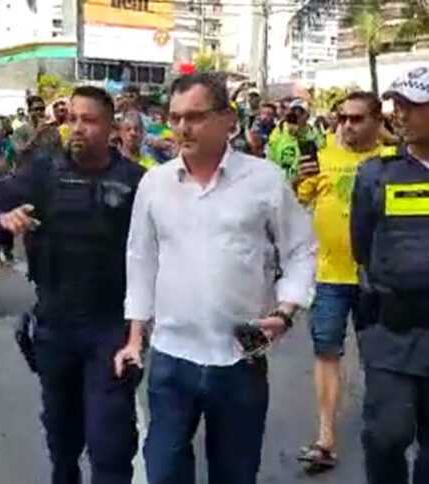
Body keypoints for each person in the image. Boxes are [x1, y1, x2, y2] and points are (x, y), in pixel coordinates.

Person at [125, 72, 317, 484]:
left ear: (228, 119)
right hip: (171, 358)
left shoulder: (263, 180)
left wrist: (284, 312)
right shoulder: (155, 184)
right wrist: (135, 337)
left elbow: (301, 250)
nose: (181, 128)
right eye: (175, 117)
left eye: (194, 116)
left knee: (234, 474)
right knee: (163, 473)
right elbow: (141, 259)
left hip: (239, 360)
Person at [0, 85, 144, 483]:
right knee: (63, 447)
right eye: (72, 119)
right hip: (54, 327)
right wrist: (4, 219)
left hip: (110, 328)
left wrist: (142, 330)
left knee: (110, 446)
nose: (77, 128)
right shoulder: (43, 171)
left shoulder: (136, 182)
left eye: (89, 120)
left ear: (111, 127)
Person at [294, 91, 395, 472]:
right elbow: (298, 200)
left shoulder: (392, 162)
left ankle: (385, 430)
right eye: (342, 119)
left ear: (376, 122)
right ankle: (326, 438)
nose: (347, 126)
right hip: (329, 276)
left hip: (377, 279)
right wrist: (299, 179)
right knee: (326, 353)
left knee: (379, 356)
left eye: (356, 119)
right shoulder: (322, 158)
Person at [351, 67, 429, 484]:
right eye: (395, 105)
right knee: (386, 435)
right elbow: (361, 245)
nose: (397, 114)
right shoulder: (376, 174)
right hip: (392, 332)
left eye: (410, 106)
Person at [269, 99, 323, 182]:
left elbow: (321, 155)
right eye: (294, 112)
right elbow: (271, 157)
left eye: (301, 113)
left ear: (307, 116)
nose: (297, 116)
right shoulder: (279, 131)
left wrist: (300, 136)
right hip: (282, 181)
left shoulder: (314, 134)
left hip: (306, 181)